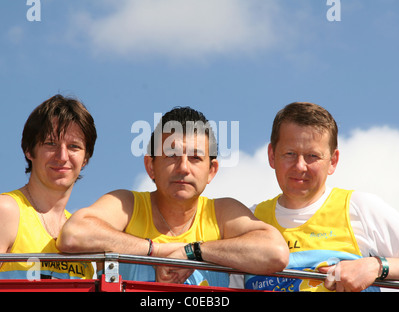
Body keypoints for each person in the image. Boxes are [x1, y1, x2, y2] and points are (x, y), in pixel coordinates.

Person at [57, 106, 288, 288]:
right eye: (171, 156)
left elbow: (275, 253)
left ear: (212, 170)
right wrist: (157, 251)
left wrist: (193, 252)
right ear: (151, 166)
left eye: (196, 158)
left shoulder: (221, 212)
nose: (183, 168)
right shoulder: (128, 205)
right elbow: (73, 234)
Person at [244, 102, 399, 292]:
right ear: (272, 155)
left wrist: (375, 266)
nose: (300, 166)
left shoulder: (359, 207)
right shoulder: (248, 219)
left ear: (333, 161)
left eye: (312, 156)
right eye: (290, 153)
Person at [0, 94, 97, 280]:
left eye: (74, 146)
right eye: (51, 143)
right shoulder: (2, 212)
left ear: (85, 159)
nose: (62, 156)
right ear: (29, 150)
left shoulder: (80, 233)